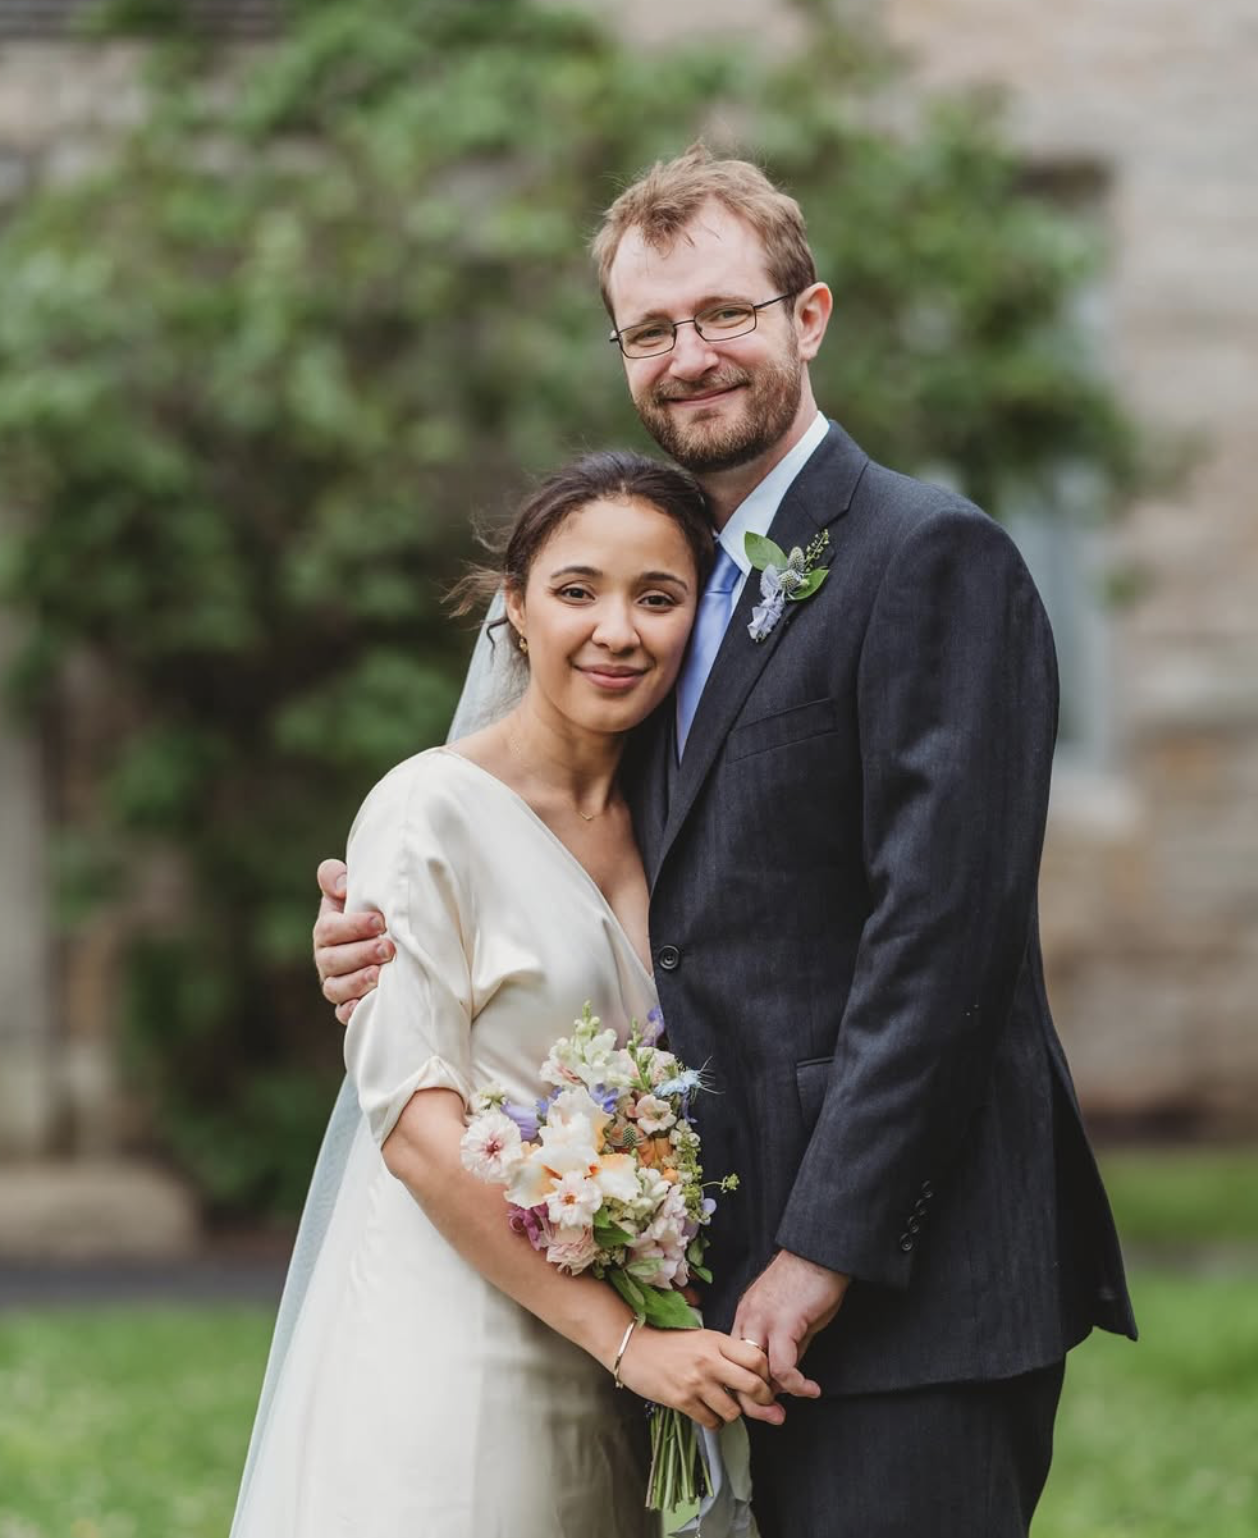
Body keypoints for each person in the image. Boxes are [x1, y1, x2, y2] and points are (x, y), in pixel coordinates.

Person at [313, 145, 1137, 1537]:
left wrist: (823, 1247)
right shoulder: (666, 583)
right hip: (713, 1290)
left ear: (807, 319)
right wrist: (387, 936)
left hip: (910, 1287)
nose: (687, 355)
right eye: (649, 329)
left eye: (722, 314)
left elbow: (943, 937)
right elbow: (576, 851)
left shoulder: (927, 556)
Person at [231, 451, 777, 1538]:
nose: (616, 631)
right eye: (577, 590)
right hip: (455, 1341)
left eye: (657, 597)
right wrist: (632, 1341)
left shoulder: (684, 821)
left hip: (605, 1358)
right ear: (515, 607)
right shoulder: (425, 814)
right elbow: (418, 1134)